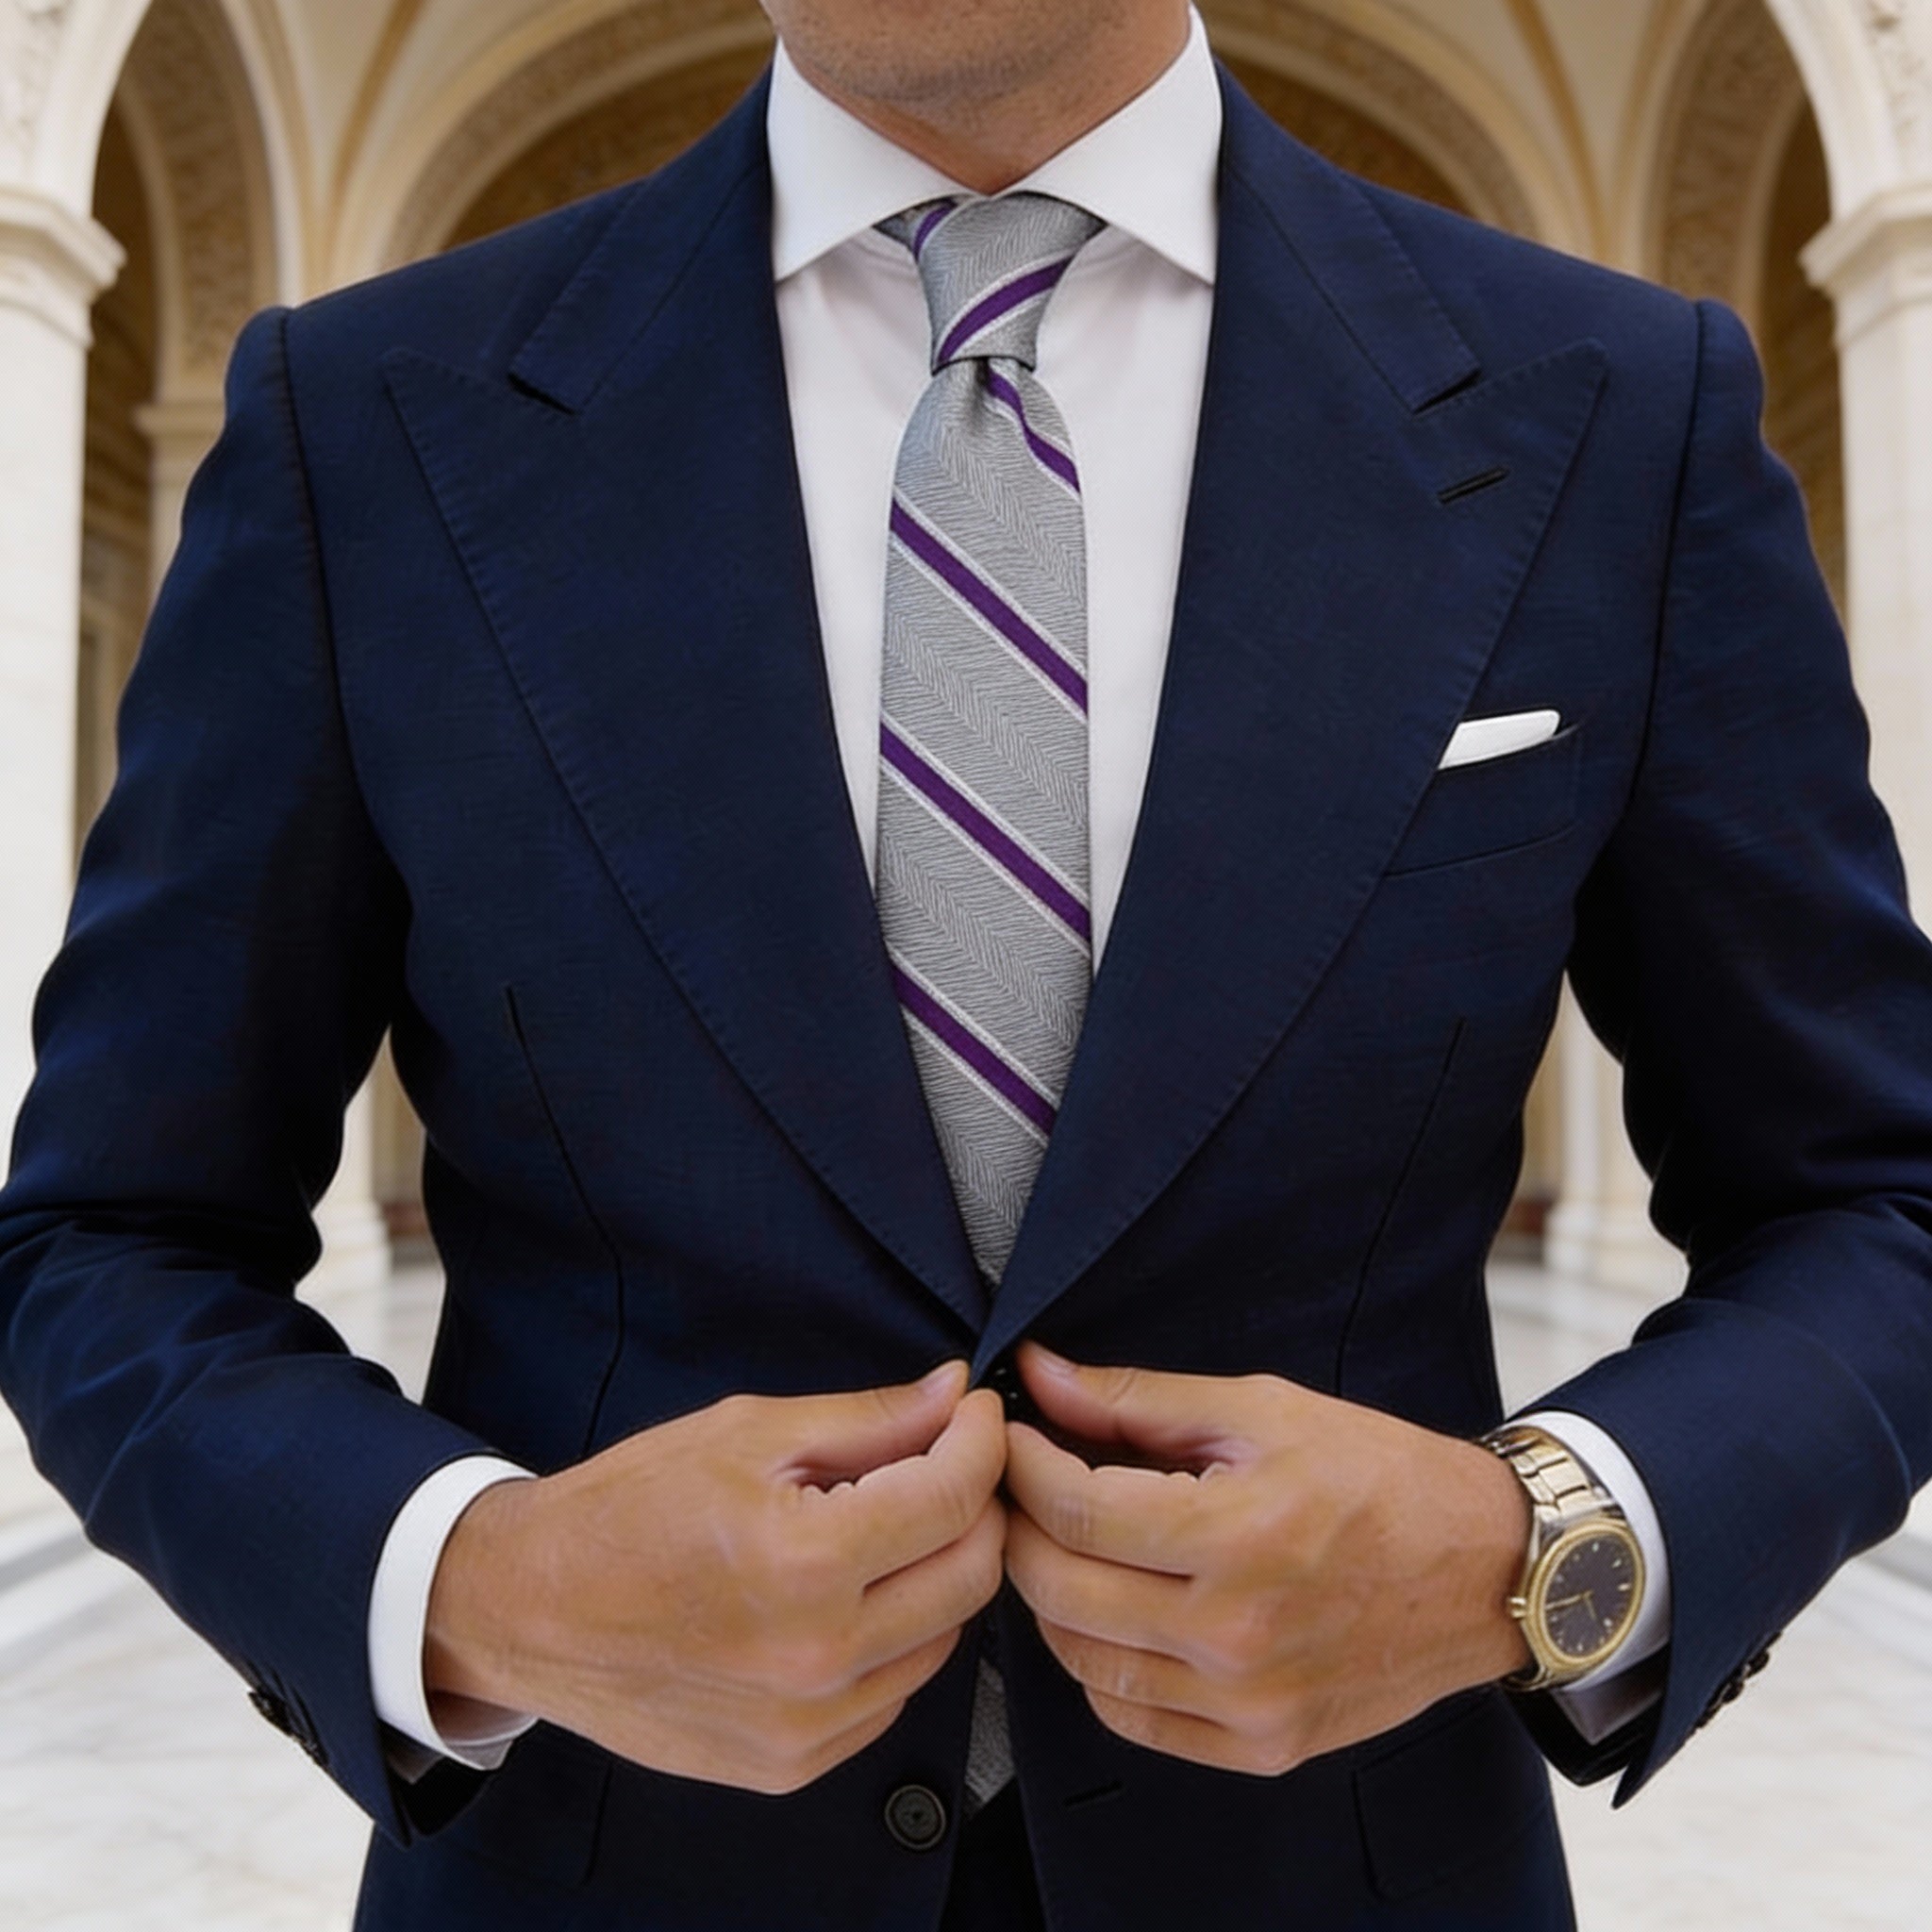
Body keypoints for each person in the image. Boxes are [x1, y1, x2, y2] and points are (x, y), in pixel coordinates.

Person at [3, 1, 1929, 1925]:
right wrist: (481, 1586)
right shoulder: (369, 424)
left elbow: (1872, 1197)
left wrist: (1535, 1544)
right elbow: (111, 1233)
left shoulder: (1609, 405)